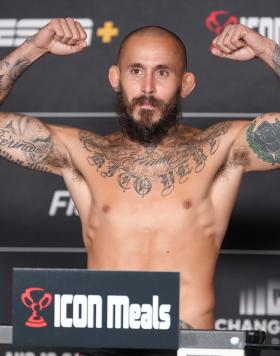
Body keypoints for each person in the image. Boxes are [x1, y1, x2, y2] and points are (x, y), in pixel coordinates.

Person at [0, 17, 279, 355]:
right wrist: (35, 47)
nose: (147, 87)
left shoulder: (221, 149)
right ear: (115, 78)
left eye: (162, 72)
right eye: (135, 71)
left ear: (185, 84)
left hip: (192, 345)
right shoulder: (83, 154)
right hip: (103, 343)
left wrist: (268, 50)